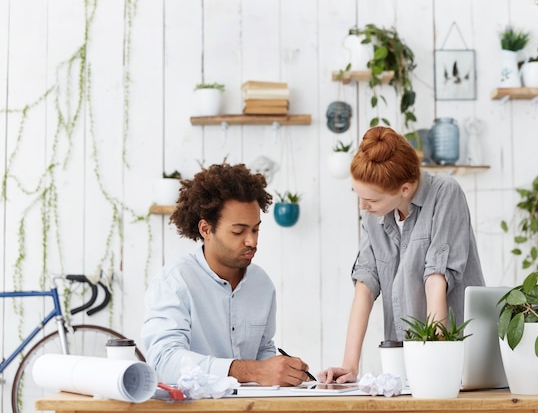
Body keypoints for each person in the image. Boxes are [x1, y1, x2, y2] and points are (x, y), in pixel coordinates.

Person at [318, 126, 485, 384]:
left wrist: (436, 360)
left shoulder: (445, 193)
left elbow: (436, 279)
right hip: (405, 364)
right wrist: (350, 366)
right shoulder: (375, 214)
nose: (363, 206)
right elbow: (365, 284)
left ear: (405, 189)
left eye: (371, 200)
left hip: (454, 364)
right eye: (359, 196)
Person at [142, 163, 312, 386]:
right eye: (238, 231)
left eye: (255, 229)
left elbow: (262, 350)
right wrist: (252, 371)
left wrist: (282, 371)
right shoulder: (174, 282)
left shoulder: (262, 285)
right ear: (206, 230)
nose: (252, 241)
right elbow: (163, 361)